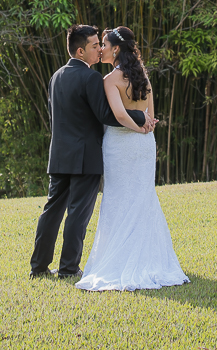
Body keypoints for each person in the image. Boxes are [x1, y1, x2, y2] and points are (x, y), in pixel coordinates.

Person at [30, 25, 155, 279]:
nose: (99, 50)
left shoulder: (56, 76)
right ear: (80, 51)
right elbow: (107, 115)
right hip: (86, 156)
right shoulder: (91, 78)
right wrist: (140, 116)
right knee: (78, 213)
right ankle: (68, 268)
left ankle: (38, 267)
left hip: (59, 155)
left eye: (101, 44)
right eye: (95, 45)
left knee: (52, 210)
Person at [76, 26, 188, 291]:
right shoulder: (143, 76)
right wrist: (144, 129)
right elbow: (151, 115)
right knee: (142, 197)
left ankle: (120, 259)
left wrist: (137, 128)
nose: (100, 49)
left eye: (104, 44)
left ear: (115, 49)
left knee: (119, 198)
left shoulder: (109, 80)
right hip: (144, 144)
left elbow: (119, 115)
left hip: (121, 144)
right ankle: (150, 259)